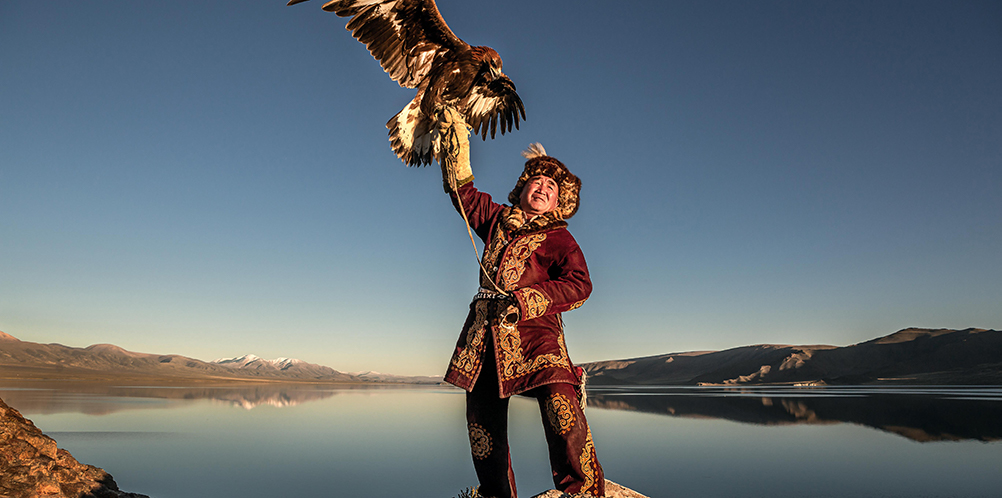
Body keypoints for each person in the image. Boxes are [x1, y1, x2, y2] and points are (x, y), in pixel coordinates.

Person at [436, 108, 605, 498]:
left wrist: (528, 300)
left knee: (560, 407)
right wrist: (457, 145)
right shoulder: (497, 220)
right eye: (537, 180)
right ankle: (496, 495)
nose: (543, 187)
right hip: (482, 336)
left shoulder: (560, 238)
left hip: (536, 333)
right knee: (483, 426)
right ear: (523, 187)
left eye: (552, 186)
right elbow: (463, 195)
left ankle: (580, 490)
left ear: (559, 201)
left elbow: (581, 285)